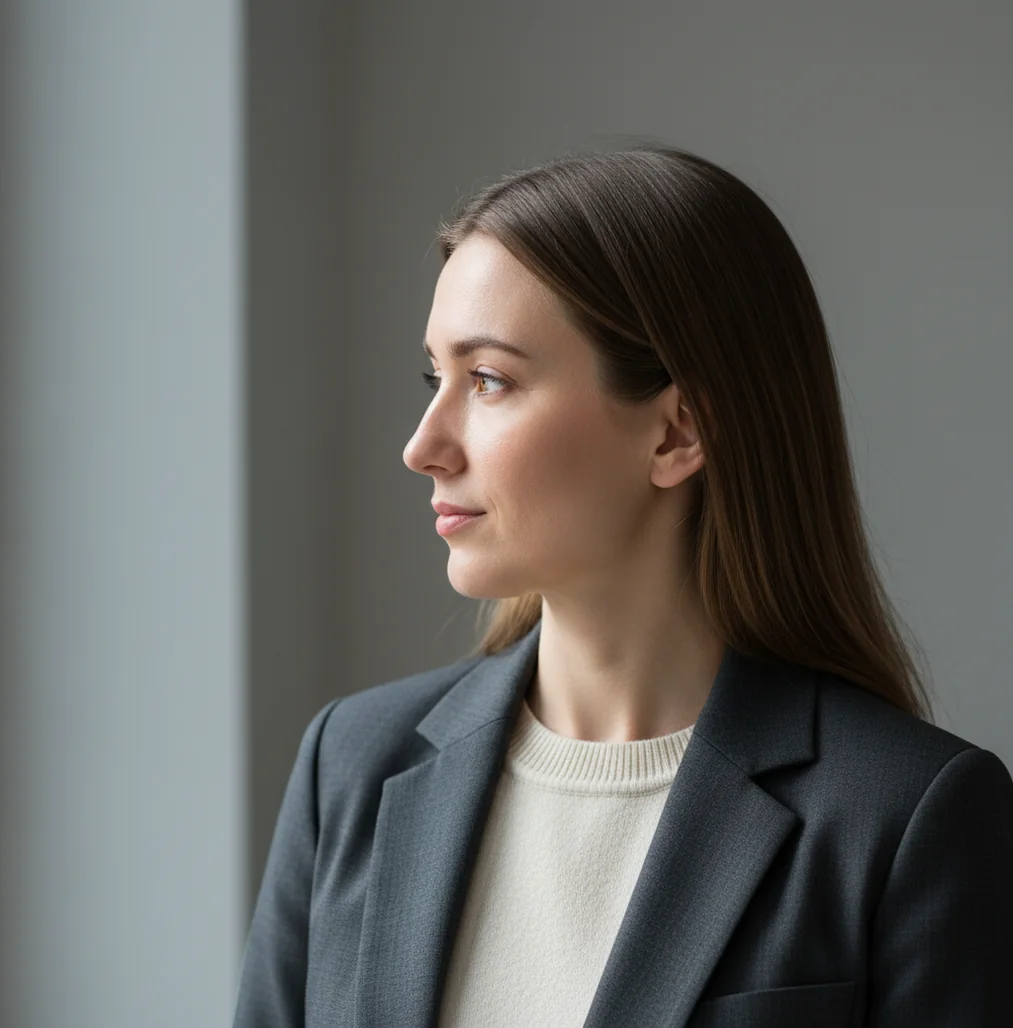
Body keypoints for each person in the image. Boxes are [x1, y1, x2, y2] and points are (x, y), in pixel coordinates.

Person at [232, 145, 1013, 1028]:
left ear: (677, 433)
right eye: (433, 377)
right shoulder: (353, 765)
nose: (424, 445)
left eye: (487, 380)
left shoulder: (904, 819)